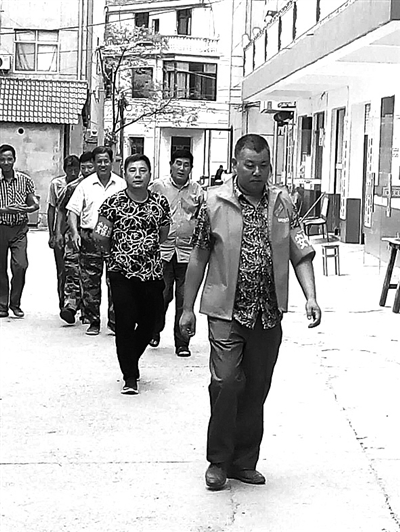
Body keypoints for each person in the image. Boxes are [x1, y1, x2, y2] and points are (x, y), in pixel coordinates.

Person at [179, 134, 321, 490]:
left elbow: (300, 251)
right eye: (249, 165)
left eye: (263, 166)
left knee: (256, 388)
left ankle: (244, 461)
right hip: (225, 312)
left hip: (267, 314)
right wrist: (186, 309)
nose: (257, 172)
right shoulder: (214, 202)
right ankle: (218, 461)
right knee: (225, 383)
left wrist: (311, 296)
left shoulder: (283, 202)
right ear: (236, 165)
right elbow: (198, 256)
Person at [93, 154, 171, 395]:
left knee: (151, 322)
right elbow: (100, 235)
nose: (138, 175)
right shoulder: (112, 203)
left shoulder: (160, 203)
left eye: (142, 170)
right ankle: (129, 375)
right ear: (124, 174)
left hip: (151, 273)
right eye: (132, 170)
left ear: (150, 174)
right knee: (125, 323)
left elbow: (164, 233)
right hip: (121, 273)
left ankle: (130, 357)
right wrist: (115, 256)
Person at [149, 149, 204, 357]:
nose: (182, 168)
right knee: (161, 295)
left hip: (187, 253)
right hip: (162, 252)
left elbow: (202, 219)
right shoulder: (157, 187)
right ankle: (154, 329)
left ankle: (182, 343)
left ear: (191, 168)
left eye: (186, 165)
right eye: (178, 163)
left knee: (184, 299)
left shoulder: (197, 191)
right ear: (171, 165)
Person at [66, 146, 126, 335]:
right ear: (94, 163)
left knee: (116, 280)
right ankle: (93, 321)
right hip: (90, 237)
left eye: (106, 161)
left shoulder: (121, 185)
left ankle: (115, 321)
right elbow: (72, 211)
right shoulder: (85, 185)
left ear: (111, 162)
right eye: (99, 161)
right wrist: (74, 233)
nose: (103, 164)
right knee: (90, 282)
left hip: (114, 239)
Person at [55, 151, 95, 324]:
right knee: (71, 270)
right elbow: (60, 210)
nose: (86, 171)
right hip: (73, 235)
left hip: (95, 235)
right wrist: (58, 232)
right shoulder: (72, 187)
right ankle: (70, 306)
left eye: (89, 167)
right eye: (83, 168)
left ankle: (88, 311)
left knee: (89, 275)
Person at [0, 144, 39, 318]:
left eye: (9, 159)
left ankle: (15, 303)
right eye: (2, 159)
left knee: (20, 265)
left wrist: (29, 207)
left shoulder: (25, 180)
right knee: (0, 268)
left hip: (19, 229)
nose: (6, 162)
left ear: (14, 160)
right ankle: (2, 305)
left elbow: (33, 201)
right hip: (1, 228)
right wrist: (4, 210)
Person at [47, 155, 80, 310]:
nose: (73, 172)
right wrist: (52, 234)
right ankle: (63, 302)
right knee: (62, 270)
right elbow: (52, 208)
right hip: (61, 230)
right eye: (69, 169)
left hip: (76, 231)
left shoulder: (82, 184)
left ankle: (77, 303)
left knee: (77, 270)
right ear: (64, 169)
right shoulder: (56, 184)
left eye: (75, 169)